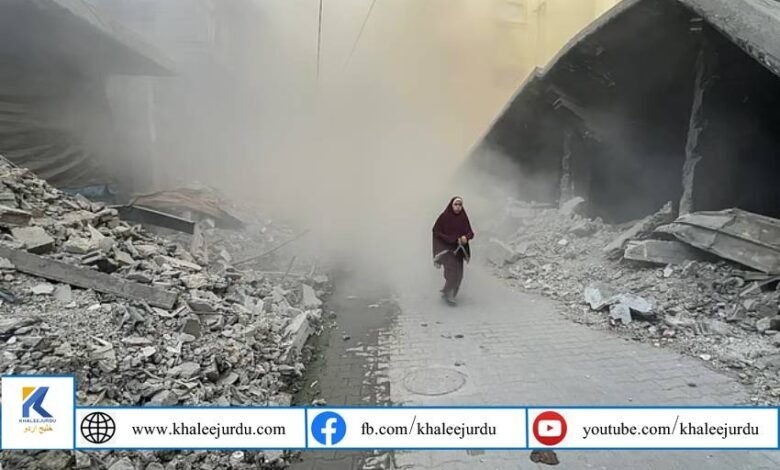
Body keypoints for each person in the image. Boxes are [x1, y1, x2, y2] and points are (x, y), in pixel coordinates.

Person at [432, 196, 474, 305]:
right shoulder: (444, 217)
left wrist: (466, 237)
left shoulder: (463, 218)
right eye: (456, 204)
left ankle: (448, 292)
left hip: (459, 251)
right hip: (447, 250)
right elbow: (436, 231)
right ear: (451, 205)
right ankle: (449, 295)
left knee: (459, 275)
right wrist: (450, 239)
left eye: (460, 205)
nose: (458, 207)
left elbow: (470, 232)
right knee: (451, 274)